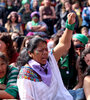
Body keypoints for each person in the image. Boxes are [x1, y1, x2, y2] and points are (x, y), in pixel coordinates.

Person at [17, 12, 76, 100]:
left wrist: (70, 25)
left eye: (46, 49)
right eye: (40, 50)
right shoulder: (25, 74)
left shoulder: (49, 61)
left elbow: (64, 44)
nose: (45, 53)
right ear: (30, 53)